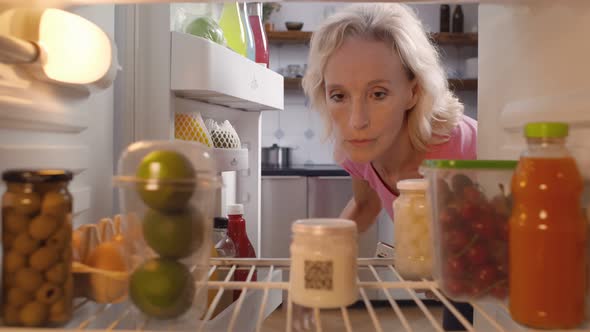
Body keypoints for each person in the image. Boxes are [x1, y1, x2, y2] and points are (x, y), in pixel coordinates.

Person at [302, 3, 477, 330]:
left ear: (413, 91)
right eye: (339, 96)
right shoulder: (356, 150)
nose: (357, 122)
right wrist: (322, 258)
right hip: (451, 286)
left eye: (378, 93)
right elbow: (365, 204)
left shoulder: (458, 149)